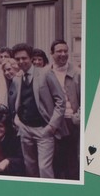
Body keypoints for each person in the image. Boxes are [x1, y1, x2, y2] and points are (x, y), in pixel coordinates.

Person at [11, 43, 65, 179]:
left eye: (24, 58)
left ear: (31, 58)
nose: (21, 61)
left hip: (44, 129)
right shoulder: (17, 78)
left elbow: (61, 100)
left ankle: (48, 192)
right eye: (17, 59)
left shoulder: (45, 73)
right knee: (30, 166)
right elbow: (17, 103)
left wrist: (52, 126)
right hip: (25, 129)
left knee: (44, 168)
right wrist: (18, 121)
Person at [49, 39, 81, 180]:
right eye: (59, 51)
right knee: (55, 159)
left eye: (65, 51)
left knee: (72, 158)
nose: (63, 54)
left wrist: (78, 116)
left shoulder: (77, 73)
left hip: (71, 120)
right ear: (52, 53)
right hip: (53, 122)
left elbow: (85, 98)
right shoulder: (46, 73)